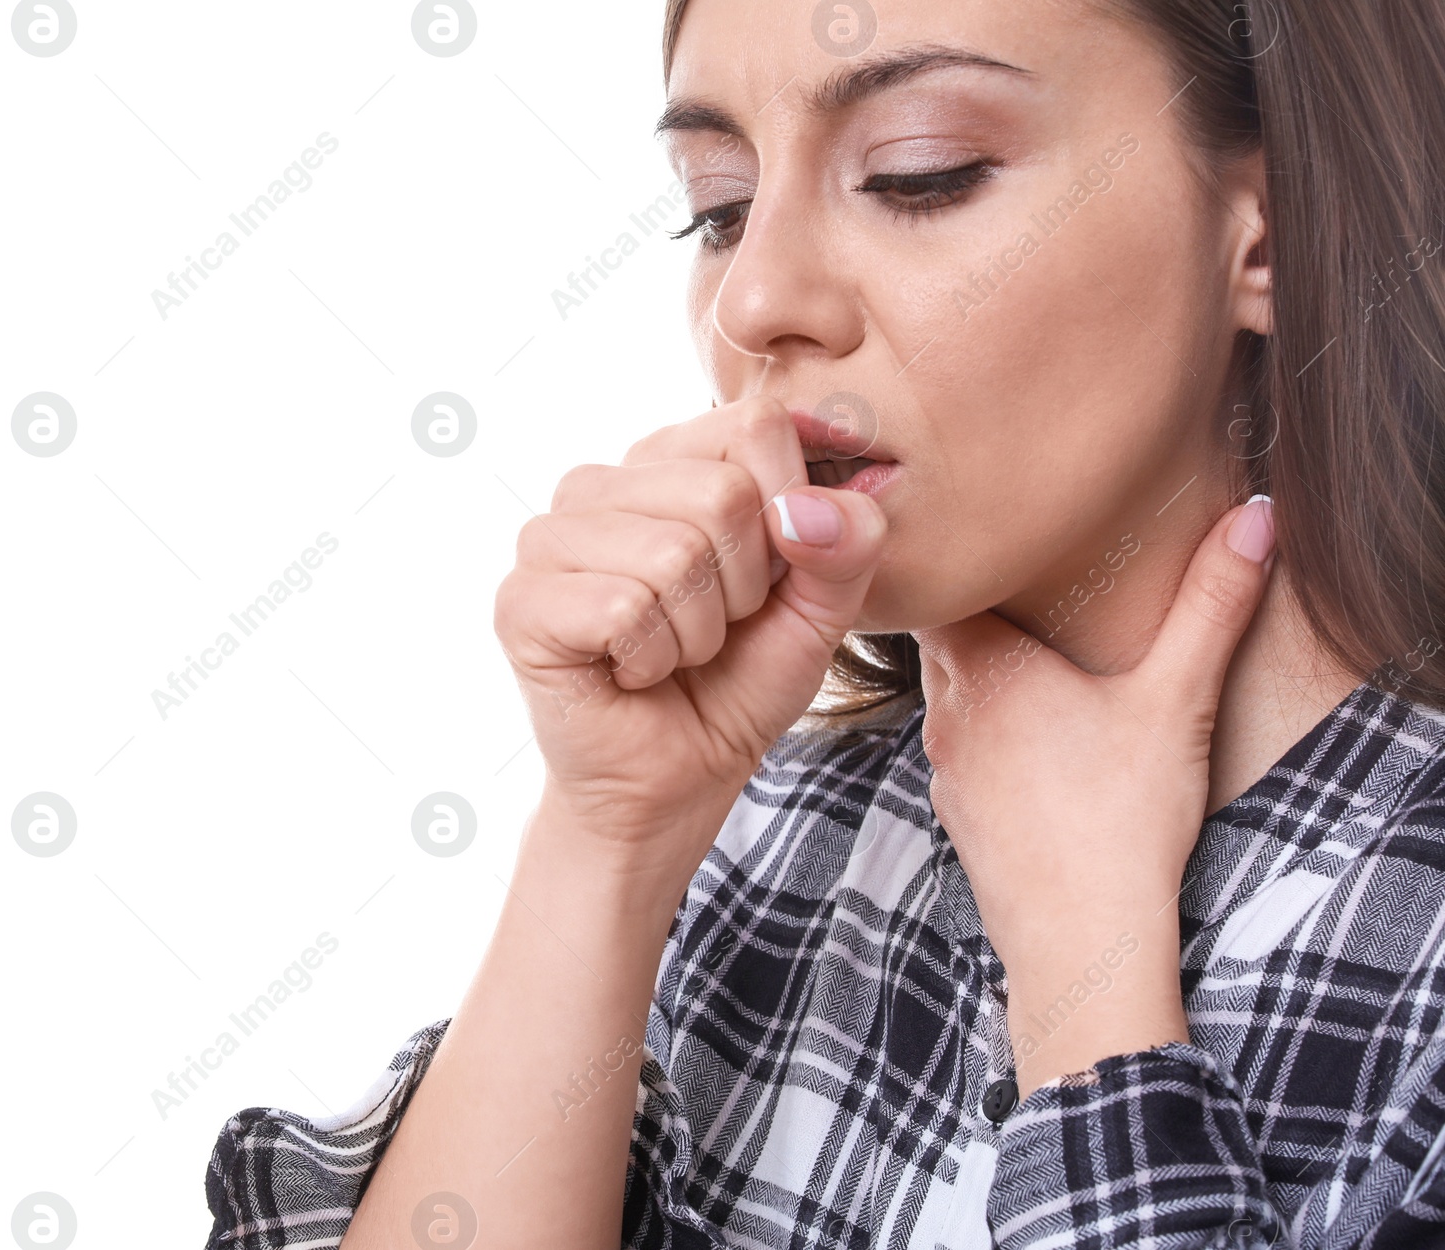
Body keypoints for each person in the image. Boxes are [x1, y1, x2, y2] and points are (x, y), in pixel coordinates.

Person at [204, 0, 1445, 1245]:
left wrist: (1091, 982)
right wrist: (608, 842)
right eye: (721, 206)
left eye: (920, 174)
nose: (754, 302)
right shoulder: (773, 829)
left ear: (1271, 230)